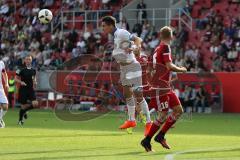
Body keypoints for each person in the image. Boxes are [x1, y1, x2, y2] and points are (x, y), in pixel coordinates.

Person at [101, 16, 152, 135]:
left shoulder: (122, 32)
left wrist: (134, 48)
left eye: (104, 26)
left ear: (110, 25)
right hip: (124, 68)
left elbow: (137, 39)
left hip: (133, 67)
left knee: (139, 97)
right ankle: (131, 120)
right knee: (127, 94)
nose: (102, 28)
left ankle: (149, 123)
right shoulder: (115, 36)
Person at [141, 26, 187, 152]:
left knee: (178, 110)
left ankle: (160, 136)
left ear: (160, 36)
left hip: (164, 86)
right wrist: (181, 69)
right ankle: (147, 140)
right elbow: (169, 65)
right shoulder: (165, 47)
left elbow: (149, 68)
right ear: (171, 36)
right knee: (163, 114)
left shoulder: (156, 49)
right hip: (160, 87)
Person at [15, 55, 38, 126]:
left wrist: (35, 82)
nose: (28, 61)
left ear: (31, 61)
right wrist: (21, 82)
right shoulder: (20, 69)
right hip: (23, 89)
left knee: (35, 104)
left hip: (31, 89)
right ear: (25, 61)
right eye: (27, 59)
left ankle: (24, 112)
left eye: (29, 59)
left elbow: (34, 78)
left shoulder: (33, 70)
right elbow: (16, 79)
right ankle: (20, 120)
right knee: (23, 106)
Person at [0, 60, 9, 128]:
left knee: (5, 106)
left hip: (0, 88)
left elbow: (4, 73)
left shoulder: (1, 63)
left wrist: (6, 83)